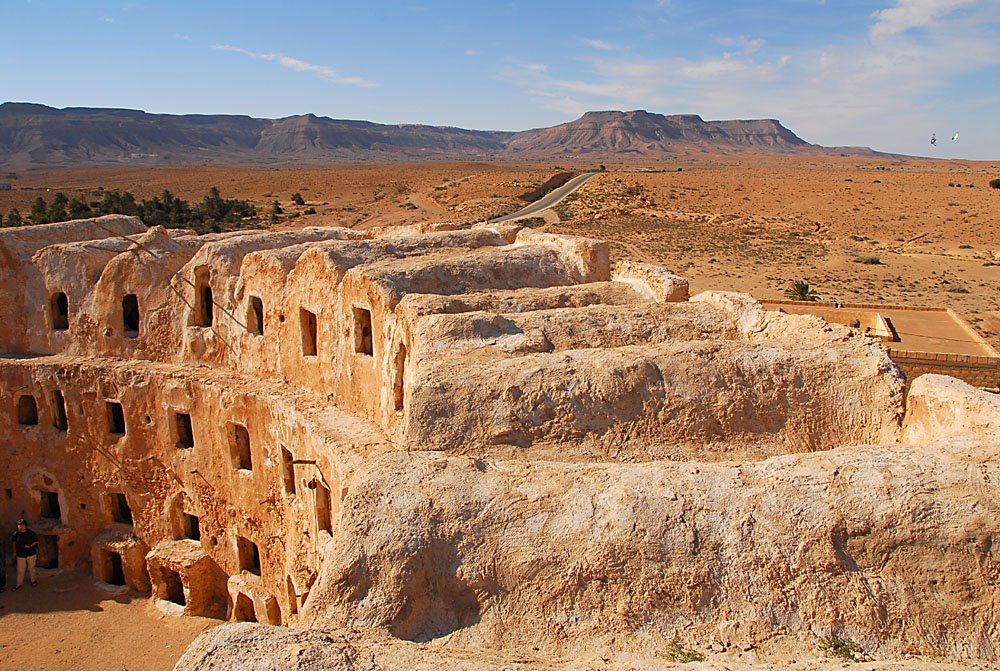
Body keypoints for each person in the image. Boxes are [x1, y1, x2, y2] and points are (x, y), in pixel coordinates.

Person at [12, 519, 38, 590]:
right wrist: (14, 552)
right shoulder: (16, 534)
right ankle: (19, 584)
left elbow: (36, 541)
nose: (21, 527)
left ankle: (33, 580)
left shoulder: (30, 533)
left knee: (31, 568)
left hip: (30, 553)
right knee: (20, 570)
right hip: (21, 554)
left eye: (22, 525)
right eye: (19, 526)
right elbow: (14, 543)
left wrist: (30, 546)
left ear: (25, 526)